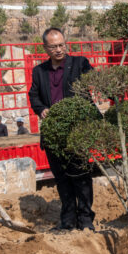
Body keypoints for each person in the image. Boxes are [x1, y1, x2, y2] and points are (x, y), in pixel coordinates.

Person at [28, 27, 96, 232]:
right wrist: (42, 110)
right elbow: (34, 96)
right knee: (62, 179)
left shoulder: (79, 64)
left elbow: (94, 80)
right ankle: (68, 221)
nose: (59, 50)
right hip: (53, 133)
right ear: (45, 48)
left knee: (82, 177)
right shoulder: (39, 71)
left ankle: (86, 220)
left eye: (61, 45)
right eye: (54, 46)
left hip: (77, 131)